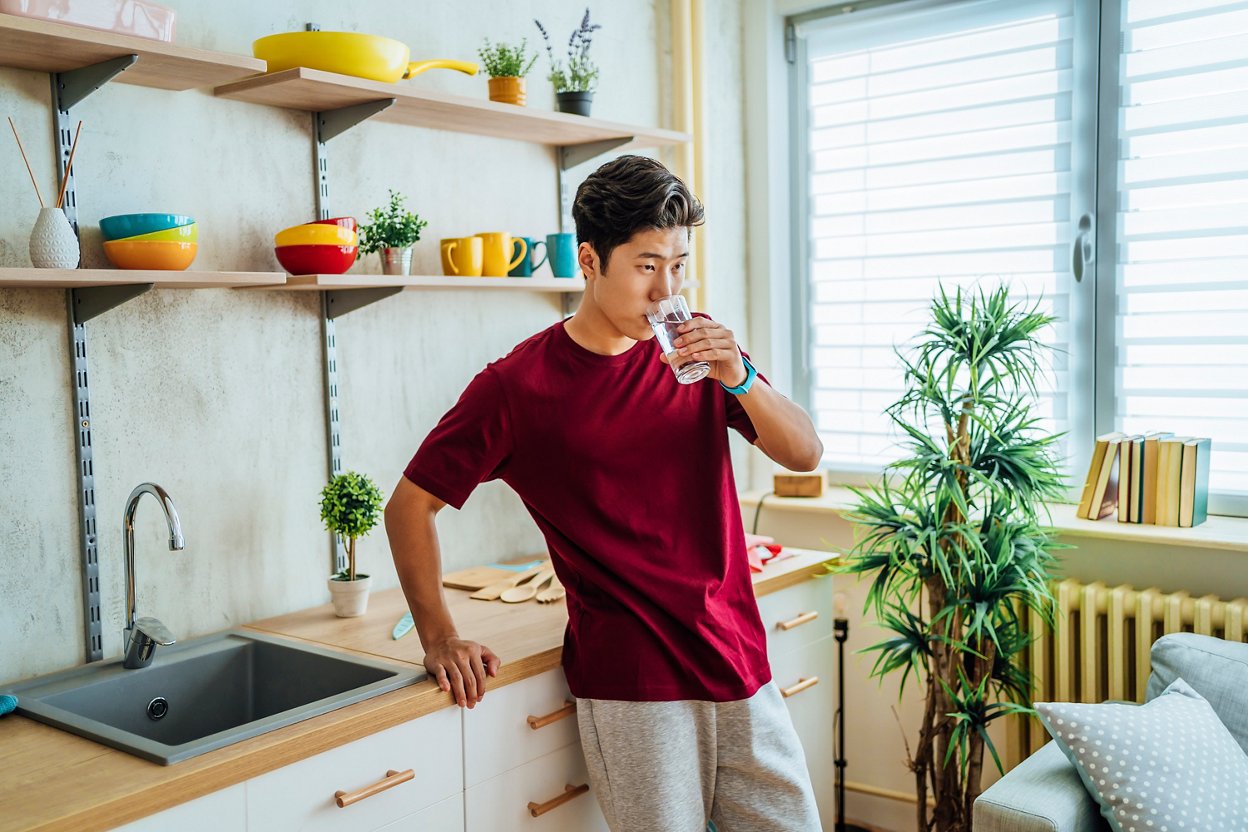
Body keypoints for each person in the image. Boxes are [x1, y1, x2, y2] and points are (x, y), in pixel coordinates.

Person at [385, 155, 824, 831]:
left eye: (679, 265)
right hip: (636, 684)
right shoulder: (517, 387)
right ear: (590, 261)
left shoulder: (699, 350)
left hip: (738, 656)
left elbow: (803, 452)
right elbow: (411, 504)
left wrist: (737, 374)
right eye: (647, 265)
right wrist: (439, 636)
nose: (666, 289)